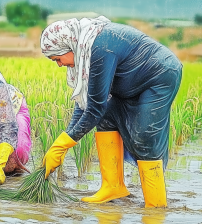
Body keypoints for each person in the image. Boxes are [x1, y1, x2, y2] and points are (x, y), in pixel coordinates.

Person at [40, 16, 182, 207]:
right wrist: (62, 141)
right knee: (106, 115)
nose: (59, 64)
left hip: (159, 76)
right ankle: (113, 185)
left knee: (144, 135)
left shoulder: (99, 47)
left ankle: (155, 204)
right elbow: (86, 105)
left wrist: (63, 145)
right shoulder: (84, 54)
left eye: (58, 59)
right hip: (131, 81)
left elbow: (94, 108)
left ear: (70, 47)